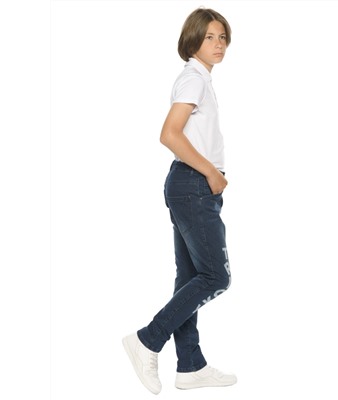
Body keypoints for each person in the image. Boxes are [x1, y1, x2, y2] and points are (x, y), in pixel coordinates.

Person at [122, 7, 237, 395]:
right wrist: (211, 173)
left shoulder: (199, 78)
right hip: (194, 185)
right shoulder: (194, 79)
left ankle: (190, 365)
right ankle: (147, 339)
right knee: (216, 277)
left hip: (187, 185)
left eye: (222, 37)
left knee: (189, 278)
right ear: (193, 40)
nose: (218, 44)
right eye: (209, 37)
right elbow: (169, 134)